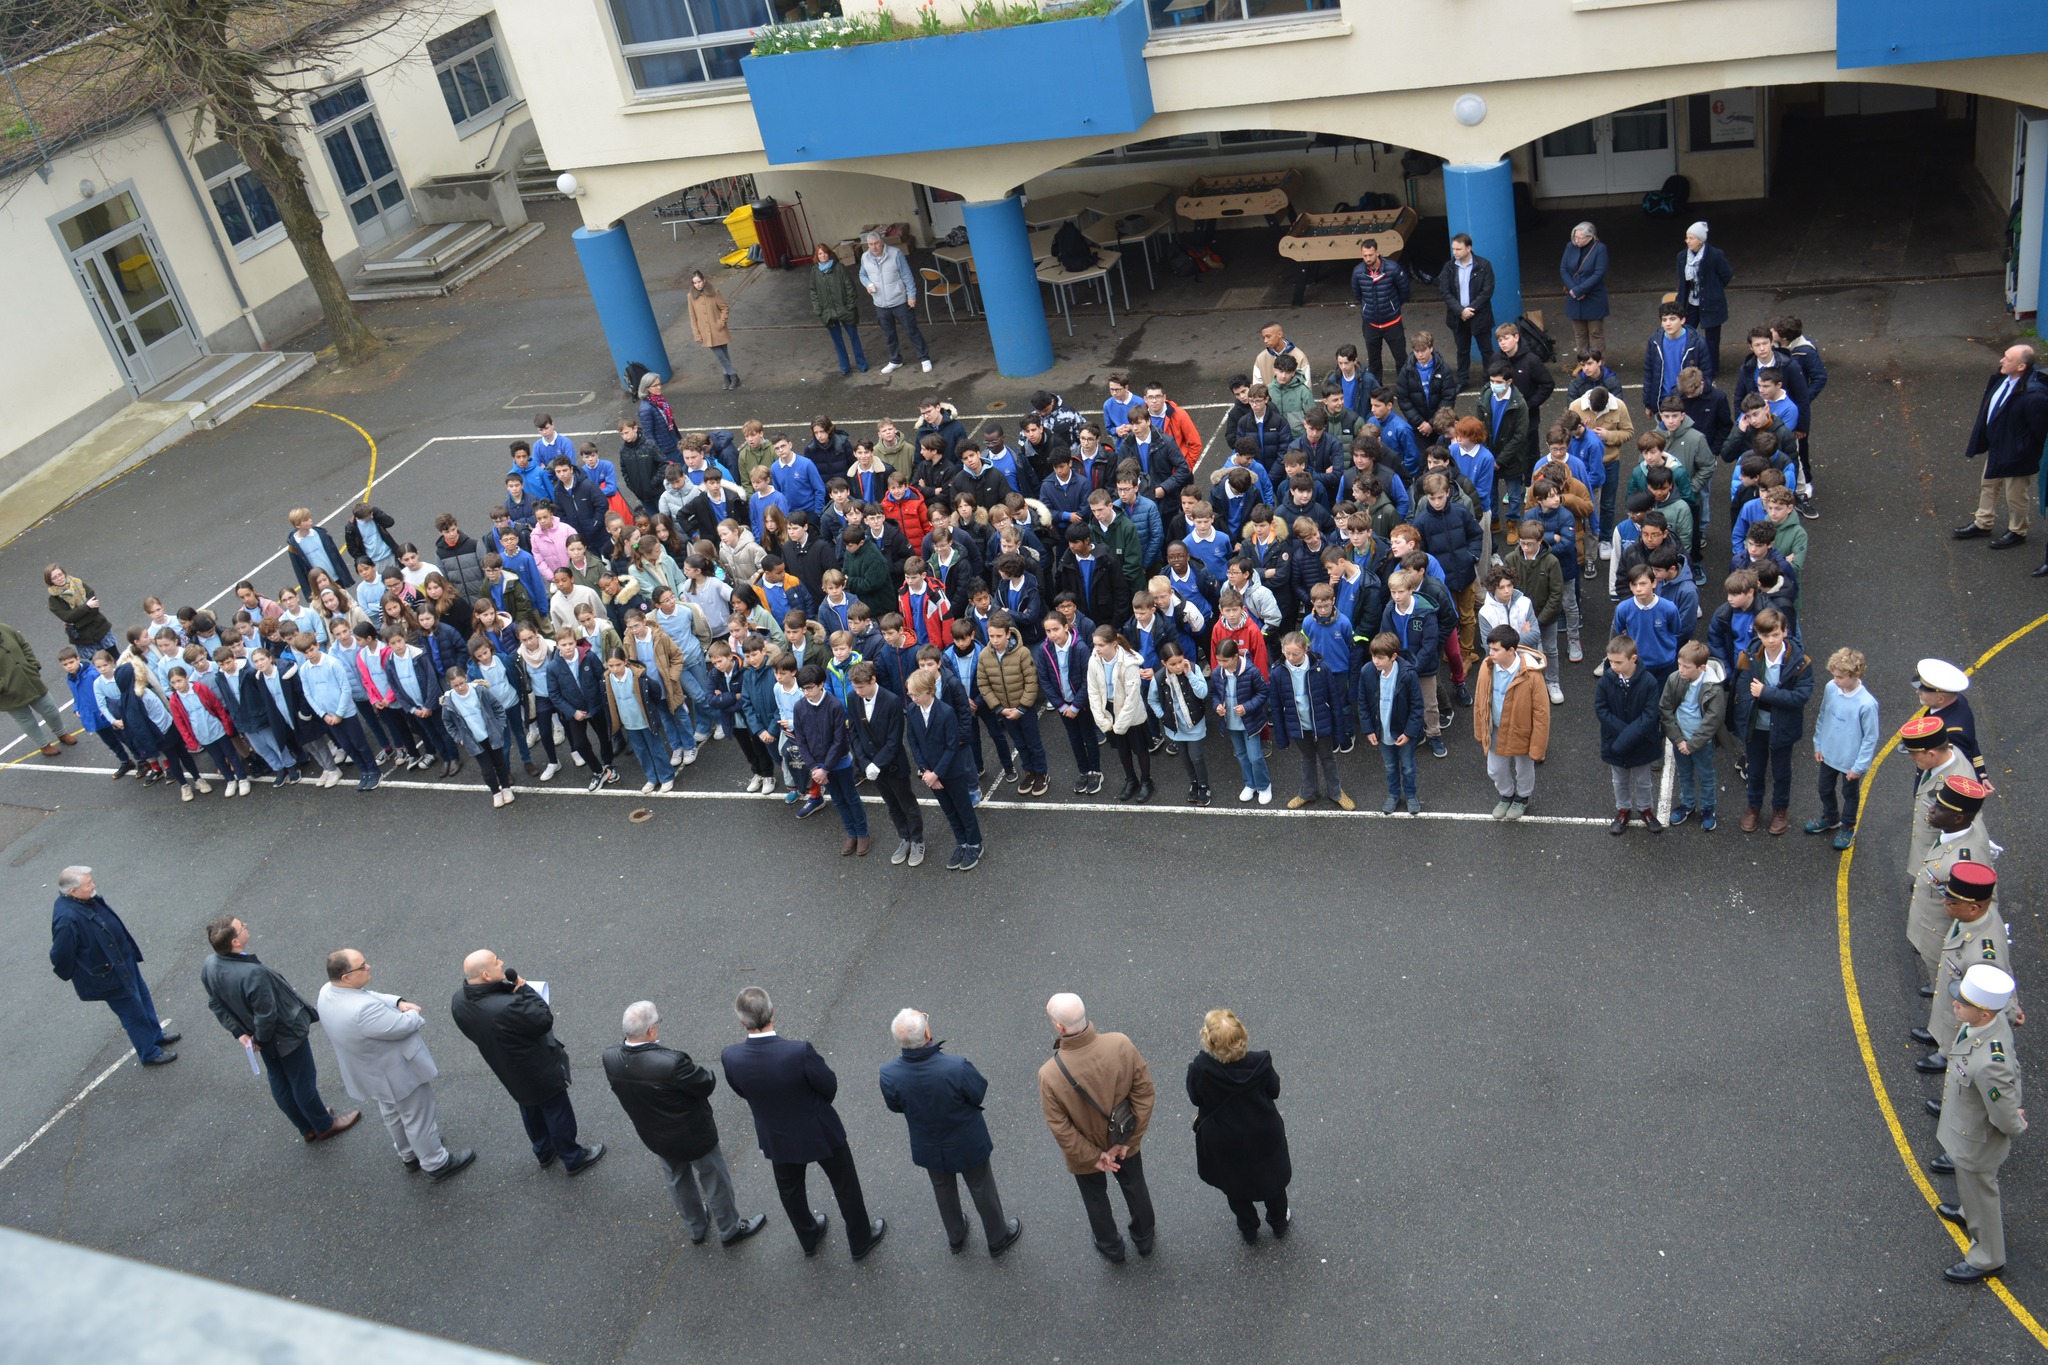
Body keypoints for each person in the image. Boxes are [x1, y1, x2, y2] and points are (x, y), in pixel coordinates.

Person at [721, 986, 886, 1260]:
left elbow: (741, 1090)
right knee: (845, 1184)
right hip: (819, 1130)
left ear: (741, 1022)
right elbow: (828, 1085)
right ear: (773, 1011)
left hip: (776, 1135)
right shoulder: (798, 1052)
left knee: (790, 1190)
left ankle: (808, 1237)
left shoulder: (731, 1056)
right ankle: (860, 1240)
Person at [603, 999, 766, 1247]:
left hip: (655, 1135)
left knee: (677, 1180)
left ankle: (696, 1227)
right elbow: (705, 1083)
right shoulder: (672, 1063)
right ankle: (730, 1229)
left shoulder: (610, 1057)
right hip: (693, 1134)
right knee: (714, 1179)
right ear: (650, 1031)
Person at [318, 948, 474, 1181]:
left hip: (371, 1072)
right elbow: (401, 1026)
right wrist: (413, 1012)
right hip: (397, 1072)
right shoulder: (363, 1011)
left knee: (392, 1112)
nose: (368, 966)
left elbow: (368, 996)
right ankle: (435, 1162)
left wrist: (397, 1001)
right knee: (418, 1116)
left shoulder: (329, 991)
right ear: (346, 977)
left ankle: (409, 1153)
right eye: (362, 966)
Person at [878, 1008, 1022, 1257]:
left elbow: (895, 1106)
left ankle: (956, 1236)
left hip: (928, 1144)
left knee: (942, 1187)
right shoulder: (956, 1066)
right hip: (967, 1141)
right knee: (981, 1186)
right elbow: (978, 1092)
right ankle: (997, 1238)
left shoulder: (889, 1073)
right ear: (927, 1033)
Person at [199, 915, 357, 1142]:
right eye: (242, 926)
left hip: (258, 1036)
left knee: (279, 1080)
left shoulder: (210, 965)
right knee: (302, 1081)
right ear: (235, 941)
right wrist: (261, 1039)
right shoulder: (253, 974)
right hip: (284, 1036)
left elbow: (214, 1003)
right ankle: (324, 1124)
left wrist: (241, 1033)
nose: (246, 926)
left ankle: (307, 1127)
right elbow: (266, 1014)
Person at [449, 949, 606, 1176]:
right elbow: (543, 1019)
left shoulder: (459, 1000)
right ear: (485, 975)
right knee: (557, 1110)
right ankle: (573, 1157)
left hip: (506, 1067)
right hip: (536, 1067)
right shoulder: (505, 1007)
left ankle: (544, 1152)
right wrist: (525, 989)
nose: (501, 962)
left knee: (529, 1106)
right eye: (496, 962)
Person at [1038, 992, 1156, 1264]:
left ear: (1059, 1027)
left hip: (1085, 1154)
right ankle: (1144, 1237)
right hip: (1124, 1137)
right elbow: (1144, 1093)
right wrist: (1128, 1141)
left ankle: (1111, 1246)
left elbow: (1060, 1127)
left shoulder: (1050, 1074)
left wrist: (1095, 1157)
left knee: (1095, 1198)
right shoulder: (1120, 1044)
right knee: (1135, 1185)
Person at [1933, 963, 2026, 1284]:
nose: (1954, 1003)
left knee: (1982, 1194)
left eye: (1963, 1003)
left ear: (1984, 1014)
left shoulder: (1990, 1061)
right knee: (1969, 1188)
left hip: (1976, 1139)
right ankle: (1967, 1213)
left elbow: (2003, 1110)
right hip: (1965, 1130)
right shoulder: (1982, 1026)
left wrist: (2016, 1124)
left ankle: (1988, 1257)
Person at [49, 867, 179, 1066]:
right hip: (110, 975)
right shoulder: (66, 920)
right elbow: (60, 956)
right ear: (73, 892)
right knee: (132, 1012)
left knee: (142, 998)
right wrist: (87, 973)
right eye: (88, 884)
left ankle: (155, 1034)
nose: (93, 886)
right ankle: (149, 1052)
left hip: (122, 962)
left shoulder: (82, 901)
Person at [1186, 1008, 1291, 1244]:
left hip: (1224, 1140)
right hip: (1263, 1132)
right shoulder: (1260, 1062)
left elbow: (1196, 1098)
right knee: (1273, 1183)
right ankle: (1279, 1224)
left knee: (1235, 1186)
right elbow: (1274, 1090)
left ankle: (1248, 1229)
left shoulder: (1200, 1069)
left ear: (1211, 1042)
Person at [1916, 862, 2011, 1076]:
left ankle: (1947, 1054)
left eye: (1952, 903)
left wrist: (2011, 1010)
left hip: (1962, 1014)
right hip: (1950, 1003)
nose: (1944, 903)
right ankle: (1938, 1034)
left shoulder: (1985, 952)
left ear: (1974, 907)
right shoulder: (1970, 919)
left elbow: (1991, 995)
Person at [1951, 344, 2048, 552]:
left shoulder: (2034, 396)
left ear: (2021, 366)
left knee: (2015, 495)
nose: (2002, 362)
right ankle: (1983, 523)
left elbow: (2040, 431)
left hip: (2017, 455)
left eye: (2007, 359)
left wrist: (2023, 451)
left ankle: (2018, 531)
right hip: (1999, 448)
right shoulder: (2006, 378)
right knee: (1988, 484)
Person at [1730, 608, 1812, 834]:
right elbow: (1742, 689)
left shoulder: (1801, 662)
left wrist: (1766, 693)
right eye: (1766, 636)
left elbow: (1801, 697)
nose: (1771, 640)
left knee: (1781, 772)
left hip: (1783, 727)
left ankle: (1780, 810)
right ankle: (1753, 807)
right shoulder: (1748, 657)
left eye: (1776, 634)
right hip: (1756, 726)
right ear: (1758, 634)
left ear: (1785, 632)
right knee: (1754, 770)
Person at [846, 662, 924, 866]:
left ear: (873, 679)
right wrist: (864, 762)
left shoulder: (892, 701)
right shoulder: (853, 698)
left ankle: (917, 841)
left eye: (861, 687)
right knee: (892, 806)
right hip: (871, 766)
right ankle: (904, 838)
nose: (858, 691)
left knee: (908, 805)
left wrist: (877, 763)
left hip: (892, 765)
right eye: (855, 687)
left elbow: (894, 739)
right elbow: (854, 732)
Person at [905, 666, 982, 870]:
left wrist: (936, 773)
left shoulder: (946, 712)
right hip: (931, 774)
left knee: (963, 808)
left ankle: (975, 844)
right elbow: (913, 741)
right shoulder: (912, 711)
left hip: (951, 772)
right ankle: (961, 842)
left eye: (916, 694)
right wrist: (926, 771)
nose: (913, 698)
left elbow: (951, 747)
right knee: (949, 810)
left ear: (929, 691)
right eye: (910, 694)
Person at [1471, 624, 1549, 821]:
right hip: (1496, 728)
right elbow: (1480, 700)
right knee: (1495, 769)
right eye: (1490, 648)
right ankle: (1506, 795)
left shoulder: (1531, 675)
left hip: (1522, 731)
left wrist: (1538, 747)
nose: (1491, 654)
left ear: (1511, 650)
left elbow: (1541, 714)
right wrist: (1481, 730)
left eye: (1496, 649)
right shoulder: (1486, 667)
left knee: (1524, 769)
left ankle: (1522, 798)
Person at [1808, 647, 1879, 851]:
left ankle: (1847, 826)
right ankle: (1831, 817)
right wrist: (1818, 744)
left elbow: (1870, 738)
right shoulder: (1831, 687)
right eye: (1834, 675)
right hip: (1828, 753)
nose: (1835, 680)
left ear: (1855, 674)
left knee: (1850, 795)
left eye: (1840, 677)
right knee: (1824, 788)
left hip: (1850, 761)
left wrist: (1859, 766)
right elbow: (1823, 716)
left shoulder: (1867, 704)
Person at [1595, 635, 1663, 835]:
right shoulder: (1605, 681)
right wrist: (1626, 734)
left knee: (1643, 781)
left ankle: (1645, 809)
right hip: (1618, 742)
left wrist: (1626, 736)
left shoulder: (1649, 682)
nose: (1613, 666)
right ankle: (1623, 809)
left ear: (1633, 659)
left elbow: (1651, 714)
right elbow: (1601, 709)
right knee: (1619, 780)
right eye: (1610, 661)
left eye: (1618, 662)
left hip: (1639, 743)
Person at [1659, 640, 1725, 831]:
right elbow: (1665, 708)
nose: (1681, 670)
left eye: (1686, 667)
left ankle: (1707, 808)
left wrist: (1692, 744)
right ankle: (1687, 804)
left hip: (1701, 743)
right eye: (1679, 664)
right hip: (1681, 741)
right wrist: (1679, 740)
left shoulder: (1714, 687)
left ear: (1702, 667)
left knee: (1706, 776)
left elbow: (1713, 720)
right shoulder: (1674, 679)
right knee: (1684, 774)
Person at [1358, 631, 1424, 815]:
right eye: (1373, 656)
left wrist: (1409, 732)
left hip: (1403, 732)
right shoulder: (1367, 672)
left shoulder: (1408, 675)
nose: (1375, 661)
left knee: (1408, 766)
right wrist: (1368, 729)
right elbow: (1362, 703)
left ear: (1393, 656)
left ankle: (1411, 795)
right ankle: (1394, 795)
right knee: (1390, 766)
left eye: (1380, 658)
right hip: (1382, 731)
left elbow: (1417, 707)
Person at [858, 230, 931, 373]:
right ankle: (895, 360)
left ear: (882, 242)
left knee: (911, 330)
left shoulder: (896, 254)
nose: (874, 247)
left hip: (899, 301)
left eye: (876, 243)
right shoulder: (865, 257)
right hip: (880, 303)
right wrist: (867, 284)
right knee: (889, 334)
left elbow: (907, 276)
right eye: (870, 244)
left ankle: (924, 358)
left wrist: (911, 296)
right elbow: (862, 274)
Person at [1, 620, 72, 758]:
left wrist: (32, 665)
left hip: (30, 680)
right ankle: (44, 745)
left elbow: (23, 644)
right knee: (25, 719)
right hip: (7, 693)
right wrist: (4, 685)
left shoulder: (4, 628)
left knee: (49, 708)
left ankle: (61, 733)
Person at [1348, 238, 1410, 384]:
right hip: (1371, 324)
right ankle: (1376, 392)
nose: (1367, 259)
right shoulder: (1358, 272)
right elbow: (1357, 294)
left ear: (1377, 252)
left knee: (1401, 358)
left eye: (1370, 255)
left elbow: (1404, 291)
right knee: (1374, 361)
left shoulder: (1393, 268)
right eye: (1364, 256)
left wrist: (1393, 307)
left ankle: (1404, 388)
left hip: (1392, 323)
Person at [1439, 233, 1496, 389]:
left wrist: (1471, 309)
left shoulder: (1484, 265)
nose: (1454, 252)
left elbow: (1487, 291)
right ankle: (1462, 380)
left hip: (1479, 316)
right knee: (1462, 350)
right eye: (1453, 249)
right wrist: (1460, 310)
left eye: (1458, 249)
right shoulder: (1449, 267)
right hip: (1458, 317)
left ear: (1469, 248)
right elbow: (1445, 291)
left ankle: (1489, 380)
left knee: (1486, 350)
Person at [1676, 222, 1733, 379]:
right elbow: (1682, 282)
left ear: (1700, 240)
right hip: (1691, 303)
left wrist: (1714, 289)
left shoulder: (1715, 255)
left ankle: (1711, 369)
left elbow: (1726, 275)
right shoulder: (1682, 257)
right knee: (1687, 334)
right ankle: (1688, 365)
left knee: (1712, 339)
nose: (1687, 241)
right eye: (1687, 238)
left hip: (1711, 304)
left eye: (1691, 238)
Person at [808, 243, 869, 375]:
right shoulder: (815, 271)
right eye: (820, 253)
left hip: (845, 310)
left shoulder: (839, 268)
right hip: (828, 313)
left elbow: (850, 287)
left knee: (854, 338)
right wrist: (819, 310)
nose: (822, 255)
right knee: (837, 341)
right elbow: (813, 291)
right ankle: (844, 367)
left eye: (824, 253)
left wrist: (850, 306)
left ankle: (862, 364)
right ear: (816, 256)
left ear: (829, 253)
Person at [1559, 222, 1608, 359]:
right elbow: (1563, 269)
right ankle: (1583, 363)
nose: (1576, 241)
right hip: (1574, 296)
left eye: (1580, 238)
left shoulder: (1600, 249)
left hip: (1593, 296)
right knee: (1579, 333)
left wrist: (1579, 290)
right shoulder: (1570, 246)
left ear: (1591, 237)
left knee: (1595, 333)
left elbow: (1599, 273)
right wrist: (1574, 290)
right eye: (1575, 237)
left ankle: (1599, 363)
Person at [685, 270, 739, 390]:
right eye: (695, 283)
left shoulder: (714, 292)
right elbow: (692, 317)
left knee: (724, 354)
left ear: (704, 280)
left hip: (719, 330)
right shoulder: (691, 297)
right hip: (705, 333)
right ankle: (733, 375)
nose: (697, 285)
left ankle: (727, 377)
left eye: (699, 281)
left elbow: (725, 308)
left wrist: (720, 323)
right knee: (720, 355)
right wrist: (696, 334)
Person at [45, 565, 116, 655]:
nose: (59, 578)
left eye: (60, 574)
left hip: (100, 628)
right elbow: (68, 617)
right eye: (54, 577)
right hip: (82, 638)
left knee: (116, 657)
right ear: (50, 581)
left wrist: (77, 623)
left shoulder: (78, 583)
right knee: (96, 665)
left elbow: (94, 607)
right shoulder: (53, 600)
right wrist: (87, 606)